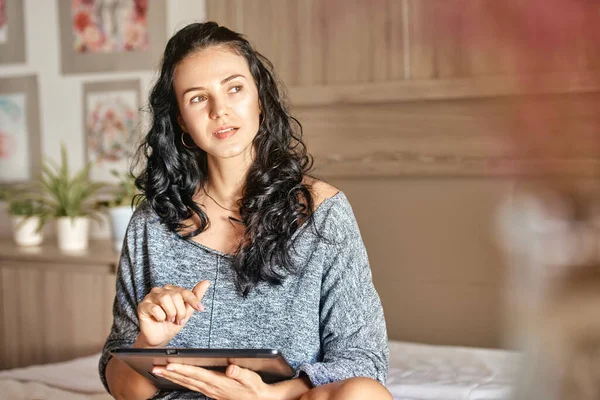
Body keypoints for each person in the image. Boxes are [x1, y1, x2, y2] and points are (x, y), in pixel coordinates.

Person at [99, 21, 391, 400]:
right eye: (198, 98)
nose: (220, 110)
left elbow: (364, 358)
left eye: (234, 88)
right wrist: (147, 343)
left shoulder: (323, 212)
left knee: (364, 393)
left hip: (285, 399)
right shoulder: (151, 224)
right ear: (181, 121)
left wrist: (270, 396)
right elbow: (123, 387)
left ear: (260, 100)